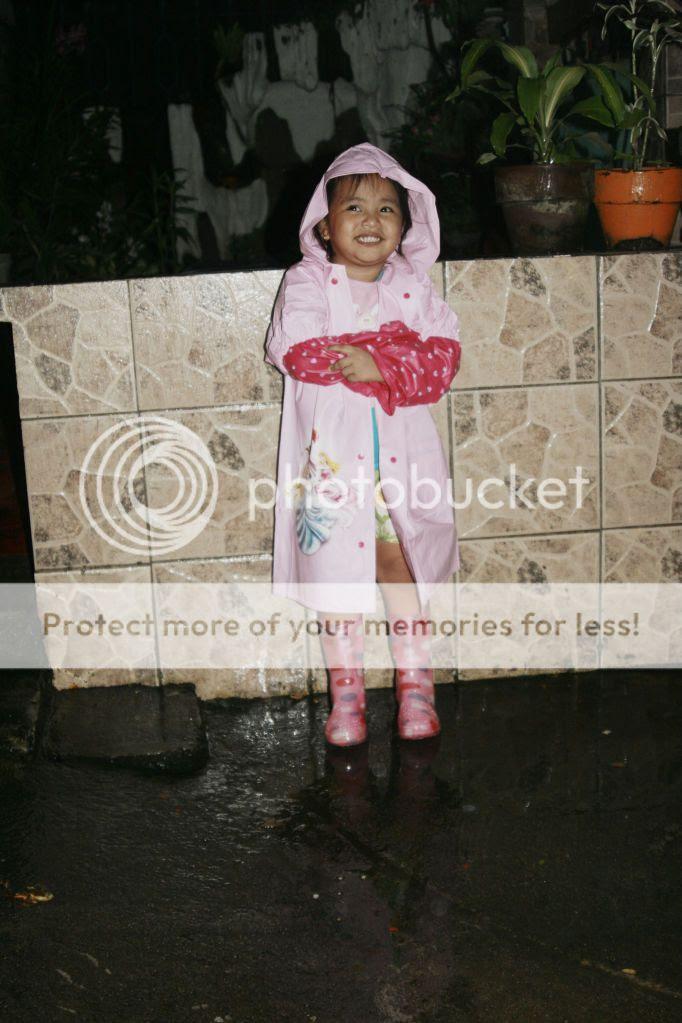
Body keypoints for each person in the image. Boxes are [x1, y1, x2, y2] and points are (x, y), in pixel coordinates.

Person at [265, 143, 461, 747]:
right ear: (324, 224)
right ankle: (346, 698)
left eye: (387, 208)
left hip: (401, 466)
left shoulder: (413, 287)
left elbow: (443, 361)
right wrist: (397, 353)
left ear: (406, 224)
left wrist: (377, 360)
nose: (371, 219)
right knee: (335, 577)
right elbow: (297, 351)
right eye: (354, 207)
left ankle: (415, 689)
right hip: (332, 466)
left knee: (401, 564)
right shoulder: (306, 282)